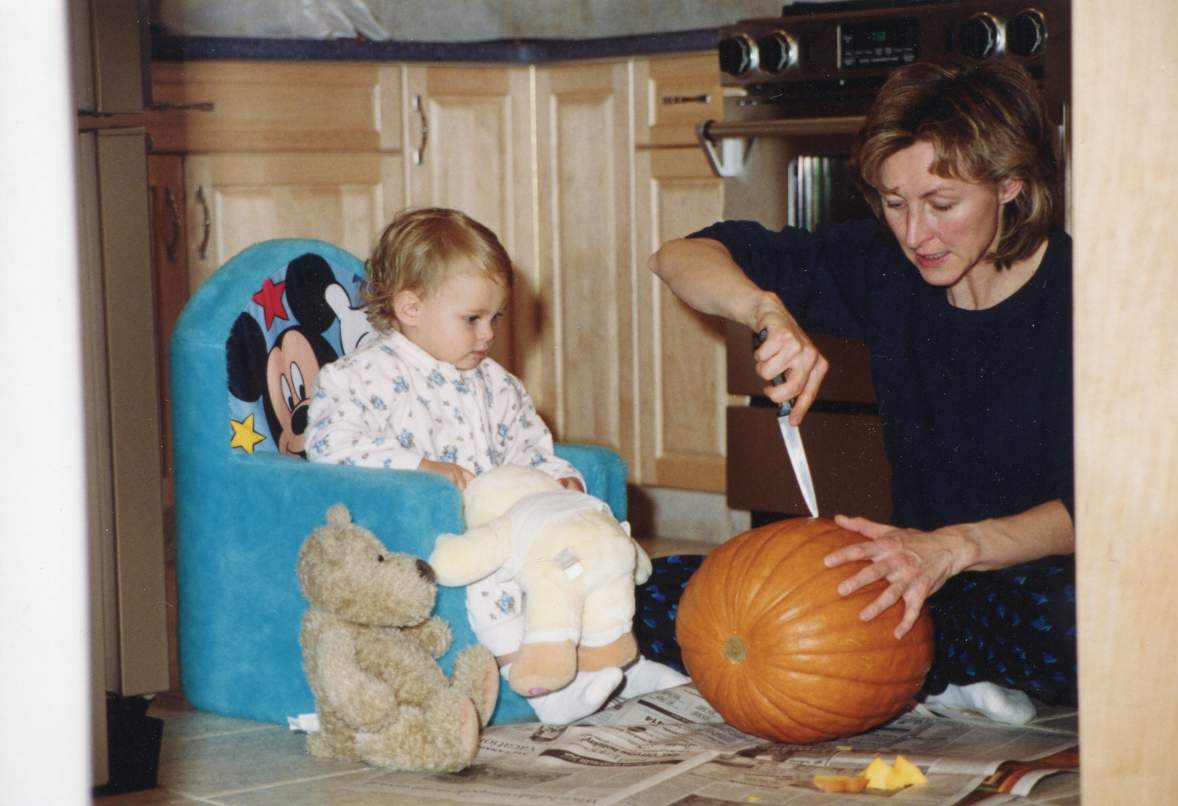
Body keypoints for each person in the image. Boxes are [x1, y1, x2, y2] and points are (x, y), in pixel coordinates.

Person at [643, 59, 1075, 724]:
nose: (914, 236)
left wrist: (957, 547)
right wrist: (766, 311)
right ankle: (931, 669)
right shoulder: (881, 264)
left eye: (942, 205)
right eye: (895, 204)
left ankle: (925, 668)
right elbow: (678, 255)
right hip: (908, 579)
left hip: (1024, 574)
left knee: (1075, 621)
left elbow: (1115, 508)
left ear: (1013, 182)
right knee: (647, 591)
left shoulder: (1089, 297)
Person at [306, 207, 686, 723]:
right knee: (496, 577)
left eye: (495, 318)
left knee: (591, 549)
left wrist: (555, 477)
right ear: (410, 307)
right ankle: (537, 686)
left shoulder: (496, 383)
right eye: (472, 319)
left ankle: (613, 653)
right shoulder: (359, 377)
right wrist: (417, 464)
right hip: (439, 538)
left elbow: (528, 445)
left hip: (507, 524)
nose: (488, 334)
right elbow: (329, 445)